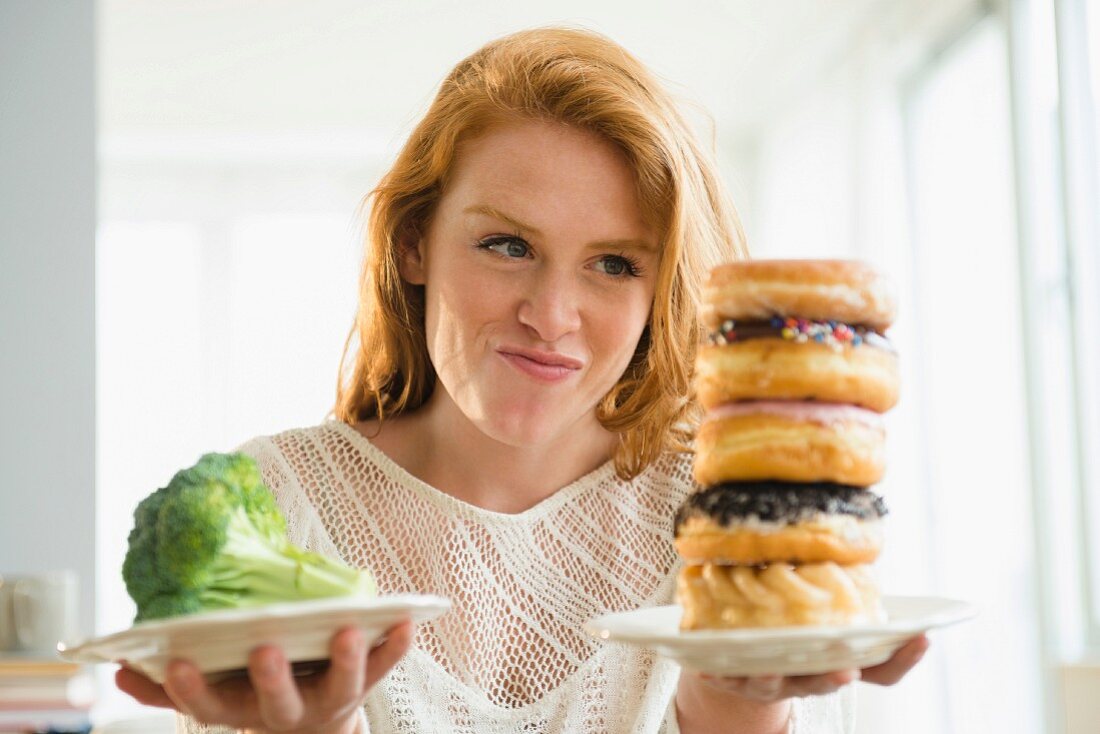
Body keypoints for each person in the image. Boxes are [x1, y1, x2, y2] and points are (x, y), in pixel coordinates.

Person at [115, 26, 928, 734]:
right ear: (413, 243)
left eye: (613, 264)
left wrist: (737, 709)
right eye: (507, 245)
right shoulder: (273, 509)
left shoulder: (738, 526)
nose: (552, 314)